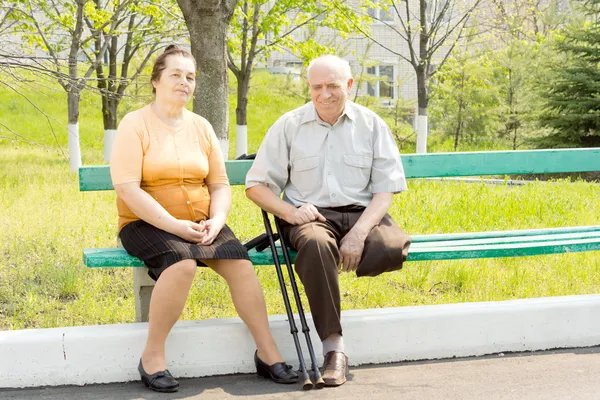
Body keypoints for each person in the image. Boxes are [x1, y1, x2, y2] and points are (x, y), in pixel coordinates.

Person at [110, 45, 297, 393]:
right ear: (156, 80)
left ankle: (267, 352)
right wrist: (175, 226)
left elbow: (219, 184)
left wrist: (218, 217)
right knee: (180, 263)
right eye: (176, 75)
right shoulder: (134, 124)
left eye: (190, 76)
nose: (185, 82)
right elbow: (128, 188)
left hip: (201, 220)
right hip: (144, 221)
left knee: (240, 264)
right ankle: (152, 357)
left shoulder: (201, 126)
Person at [245, 55, 411, 387]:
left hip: (362, 214)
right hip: (311, 217)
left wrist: (359, 234)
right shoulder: (288, 125)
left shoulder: (371, 124)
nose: (325, 94)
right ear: (309, 87)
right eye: (317, 87)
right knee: (318, 247)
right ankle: (334, 349)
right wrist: (291, 213)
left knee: (392, 247)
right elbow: (255, 187)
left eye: (333, 85)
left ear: (348, 85)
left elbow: (385, 191)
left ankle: (334, 259)